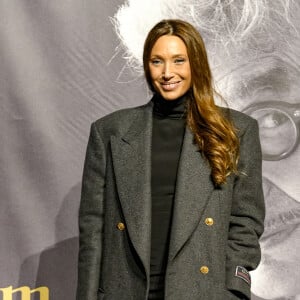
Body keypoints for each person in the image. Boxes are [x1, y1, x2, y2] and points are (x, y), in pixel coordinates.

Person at [76, 19, 265, 300]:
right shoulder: (110, 131)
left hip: (202, 292)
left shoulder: (235, 130)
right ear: (146, 66)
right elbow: (93, 228)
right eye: (157, 61)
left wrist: (232, 289)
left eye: (179, 60)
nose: (167, 73)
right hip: (125, 291)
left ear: (196, 64)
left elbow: (245, 222)